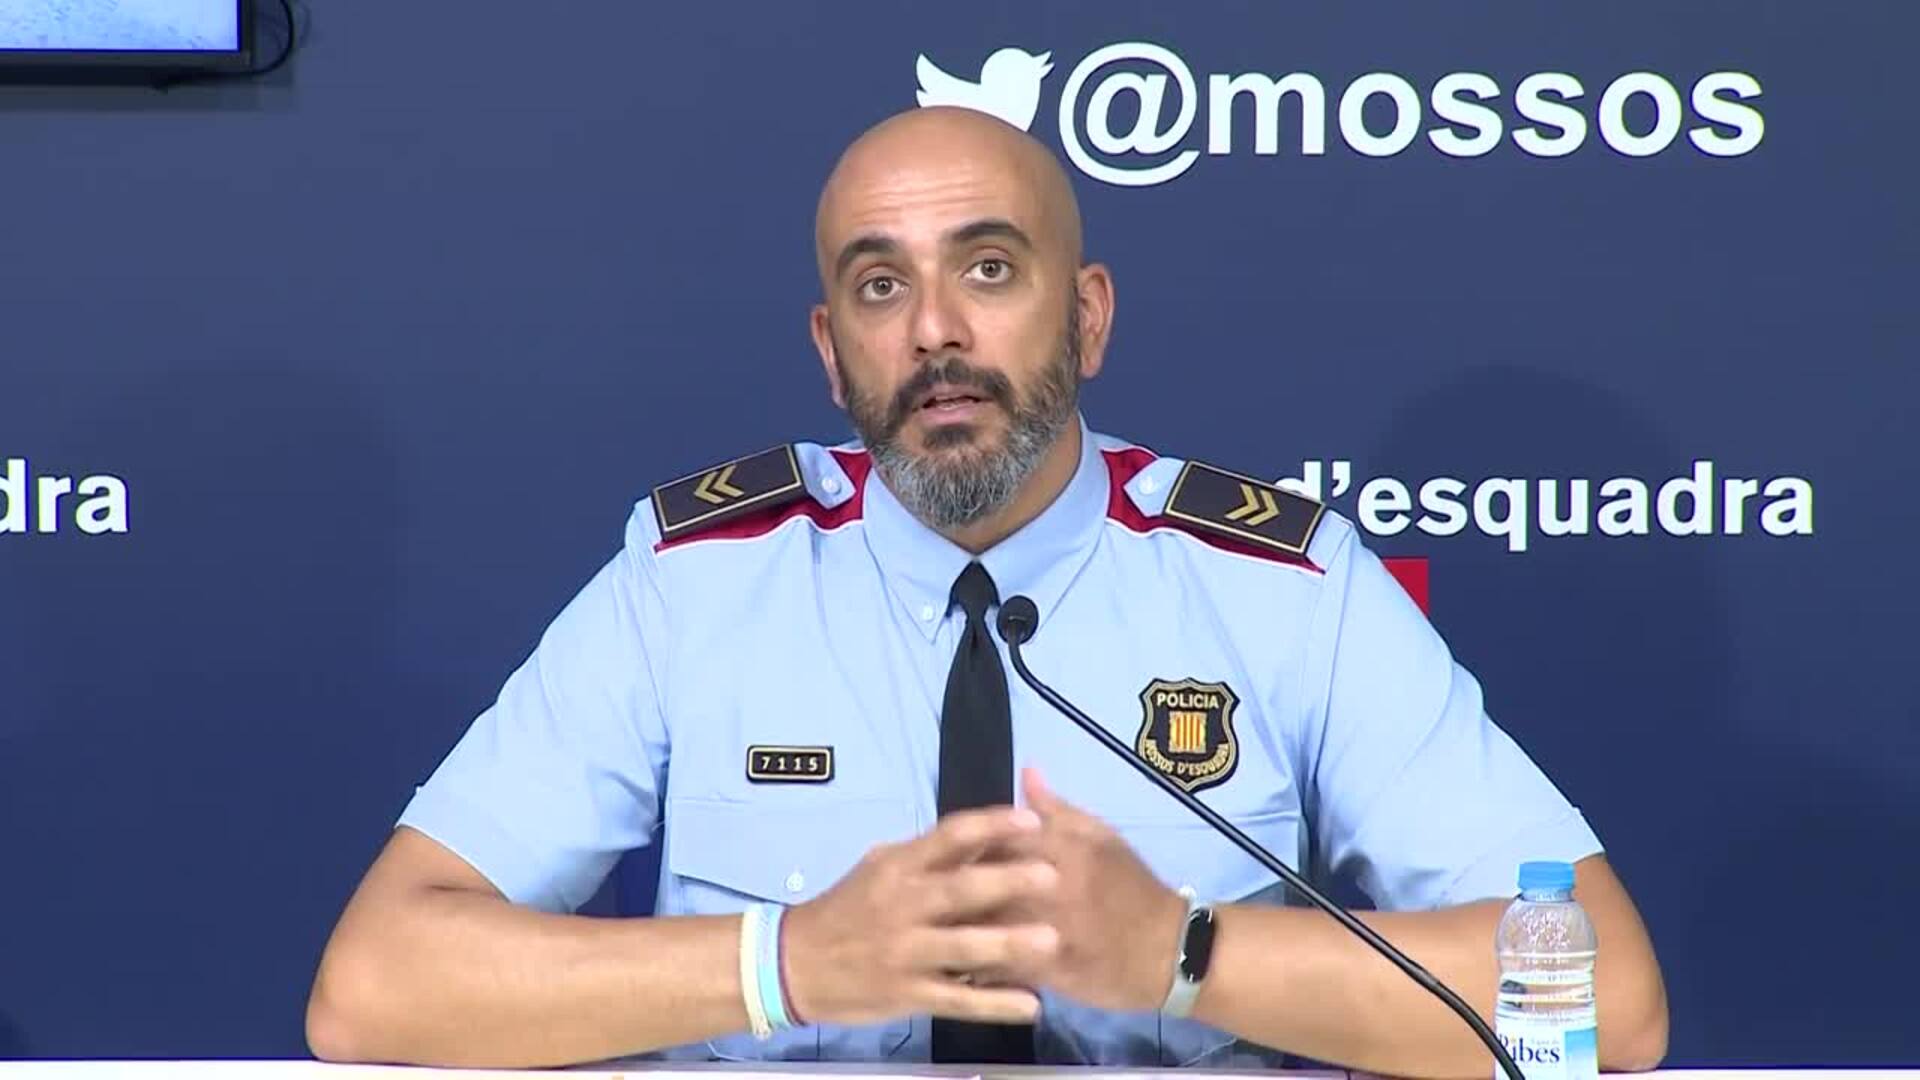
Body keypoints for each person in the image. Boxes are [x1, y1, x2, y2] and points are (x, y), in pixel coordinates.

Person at [305, 106, 1669, 1075]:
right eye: (879, 286)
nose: (936, 330)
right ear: (831, 353)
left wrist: (1185, 955)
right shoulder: (696, 580)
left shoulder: (1280, 587)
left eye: (990, 269)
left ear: (1088, 316)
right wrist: (786, 965)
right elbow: (376, 984)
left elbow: (1606, 1000)